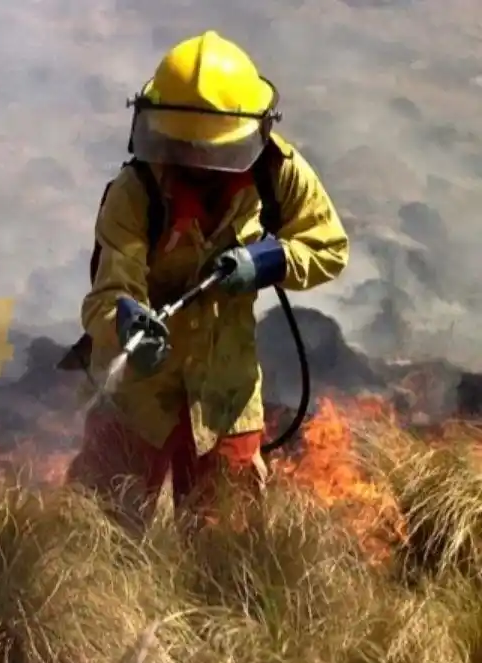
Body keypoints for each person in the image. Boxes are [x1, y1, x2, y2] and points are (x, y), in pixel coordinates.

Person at [64, 30, 349, 533]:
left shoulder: (276, 172)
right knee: (97, 537)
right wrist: (127, 321)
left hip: (226, 397)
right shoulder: (136, 192)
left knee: (225, 551)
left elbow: (327, 247)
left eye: (207, 152)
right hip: (137, 400)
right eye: (181, 148)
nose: (194, 164)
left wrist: (268, 261)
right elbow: (106, 296)